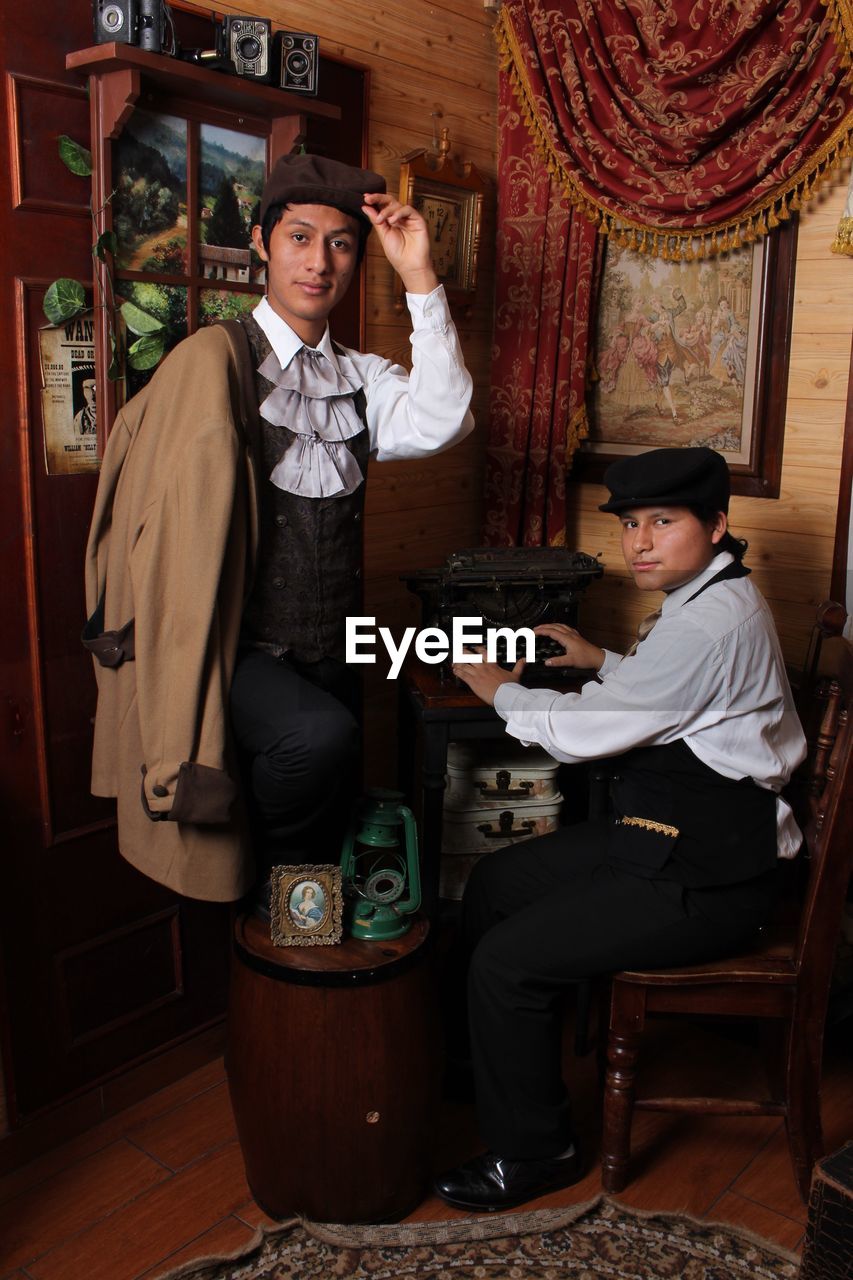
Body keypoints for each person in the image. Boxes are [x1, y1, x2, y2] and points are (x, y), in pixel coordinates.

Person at [84, 153, 474, 905]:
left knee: (334, 780)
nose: (318, 262)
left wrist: (420, 277)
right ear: (262, 244)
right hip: (234, 647)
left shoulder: (358, 379)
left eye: (339, 244)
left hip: (333, 646)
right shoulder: (213, 362)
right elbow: (160, 530)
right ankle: (282, 901)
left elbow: (443, 415)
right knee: (314, 748)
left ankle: (302, 953)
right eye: (299, 237)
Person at [434, 446, 806, 1212]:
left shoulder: (708, 626)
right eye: (631, 523)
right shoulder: (709, 597)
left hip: (710, 873)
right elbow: (672, 698)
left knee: (507, 962)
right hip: (670, 832)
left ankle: (536, 1151)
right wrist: (598, 656)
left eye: (662, 522)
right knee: (500, 882)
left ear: (715, 525)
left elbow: (587, 733)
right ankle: (485, 1068)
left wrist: (502, 691)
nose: (638, 542)